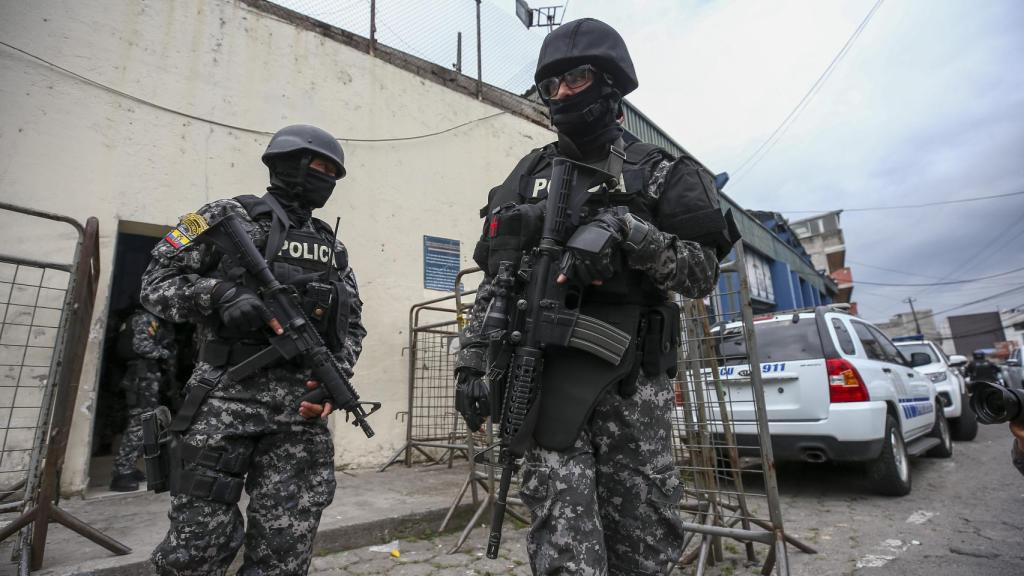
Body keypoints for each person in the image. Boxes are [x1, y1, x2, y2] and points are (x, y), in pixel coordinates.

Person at [454, 18, 735, 575]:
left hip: (630, 387)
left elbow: (704, 271)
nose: (559, 94)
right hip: (543, 374)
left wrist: (629, 233)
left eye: (574, 78)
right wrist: (470, 362)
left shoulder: (657, 173)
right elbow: (495, 280)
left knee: (643, 539)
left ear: (610, 84)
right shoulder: (523, 177)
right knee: (562, 543)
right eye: (549, 85)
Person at [141, 124, 366, 574]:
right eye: (319, 166)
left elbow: (353, 324)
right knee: (196, 550)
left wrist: (332, 380)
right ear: (285, 164)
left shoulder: (332, 248)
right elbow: (155, 283)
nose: (327, 179)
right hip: (223, 403)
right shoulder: (219, 215)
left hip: (298, 418)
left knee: (285, 553)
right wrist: (219, 294)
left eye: (334, 174)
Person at [110, 304, 176, 492]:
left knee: (145, 423)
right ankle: (122, 473)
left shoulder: (148, 319)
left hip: (145, 378)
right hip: (142, 378)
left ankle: (128, 467)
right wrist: (166, 354)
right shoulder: (146, 319)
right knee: (138, 423)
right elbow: (141, 346)